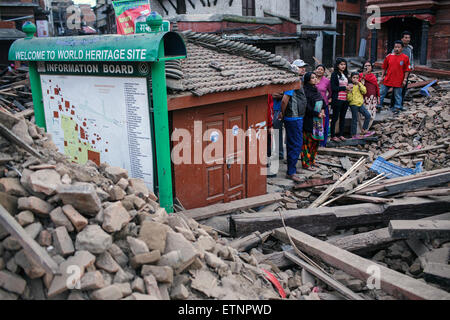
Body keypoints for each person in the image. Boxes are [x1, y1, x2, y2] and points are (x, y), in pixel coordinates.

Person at [280, 67, 307, 182]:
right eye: (300, 69)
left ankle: (293, 168)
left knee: (293, 143)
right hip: (293, 117)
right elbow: (284, 100)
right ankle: (291, 172)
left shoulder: (297, 81)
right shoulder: (292, 82)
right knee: (296, 144)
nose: (303, 70)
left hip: (297, 117)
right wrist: (282, 113)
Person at [378, 40, 411, 114]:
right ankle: (378, 105)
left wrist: (405, 79)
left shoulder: (405, 58)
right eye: (395, 47)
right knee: (381, 93)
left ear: (402, 48)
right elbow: (384, 67)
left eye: (398, 47)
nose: (397, 49)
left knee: (398, 95)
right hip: (388, 79)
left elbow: (407, 70)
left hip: (399, 80)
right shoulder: (389, 56)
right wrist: (382, 76)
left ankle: (397, 107)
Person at [301, 72, 326, 171]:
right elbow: (306, 107)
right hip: (309, 120)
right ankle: (306, 163)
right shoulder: (305, 92)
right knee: (307, 142)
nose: (315, 79)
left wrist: (323, 110)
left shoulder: (316, 90)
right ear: (307, 80)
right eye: (312, 78)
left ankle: (312, 160)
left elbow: (323, 102)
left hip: (318, 120)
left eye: (315, 77)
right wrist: (317, 114)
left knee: (316, 142)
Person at [390, 31, 414, 109]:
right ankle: (393, 105)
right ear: (402, 38)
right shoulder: (397, 48)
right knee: (396, 89)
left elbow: (411, 58)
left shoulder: (410, 48)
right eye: (406, 37)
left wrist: (412, 66)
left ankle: (400, 105)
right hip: (397, 72)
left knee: (403, 88)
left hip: (406, 72)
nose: (408, 39)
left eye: (409, 38)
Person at [347, 72, 374, 139]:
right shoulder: (350, 85)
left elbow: (364, 91)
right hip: (353, 104)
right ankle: (353, 135)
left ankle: (364, 130)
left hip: (360, 104)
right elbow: (348, 98)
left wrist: (359, 84)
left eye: (357, 78)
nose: (355, 79)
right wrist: (349, 91)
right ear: (351, 78)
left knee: (368, 115)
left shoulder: (360, 84)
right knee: (355, 119)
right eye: (354, 78)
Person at [330, 58, 350, 142]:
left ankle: (341, 135)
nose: (343, 66)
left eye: (344, 64)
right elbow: (333, 88)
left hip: (345, 99)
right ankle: (333, 135)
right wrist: (344, 87)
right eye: (341, 64)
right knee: (335, 118)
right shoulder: (334, 74)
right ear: (337, 65)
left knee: (342, 118)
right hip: (337, 99)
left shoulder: (345, 74)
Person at [359, 61, 380, 130]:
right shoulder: (360, 75)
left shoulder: (373, 76)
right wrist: (364, 76)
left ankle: (366, 129)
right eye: (366, 66)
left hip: (372, 99)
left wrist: (378, 96)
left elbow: (376, 87)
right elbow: (359, 84)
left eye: (369, 65)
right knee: (363, 115)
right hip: (364, 98)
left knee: (372, 115)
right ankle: (360, 130)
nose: (367, 67)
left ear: (371, 67)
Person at [315, 64, 332, 147]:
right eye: (318, 69)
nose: (319, 71)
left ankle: (322, 143)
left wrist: (327, 99)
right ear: (315, 70)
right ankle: (315, 142)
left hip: (323, 105)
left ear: (324, 72)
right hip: (313, 106)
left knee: (324, 124)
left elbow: (331, 92)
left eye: (321, 69)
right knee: (315, 124)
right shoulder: (312, 79)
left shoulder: (327, 81)